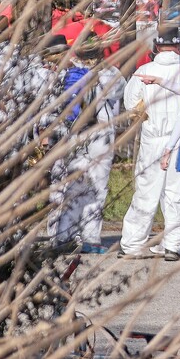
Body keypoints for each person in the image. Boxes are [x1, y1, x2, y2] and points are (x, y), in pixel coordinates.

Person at [49, 39, 124, 254]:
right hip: (101, 135)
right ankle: (91, 239)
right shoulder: (112, 74)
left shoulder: (67, 74)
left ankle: (63, 236)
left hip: (74, 136)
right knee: (97, 189)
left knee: (73, 187)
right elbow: (119, 95)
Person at [119, 27, 180, 260]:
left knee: (146, 192)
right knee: (176, 193)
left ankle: (133, 244)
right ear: (178, 46)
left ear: (156, 46)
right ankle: (173, 245)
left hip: (153, 137)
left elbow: (131, 104)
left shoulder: (144, 71)